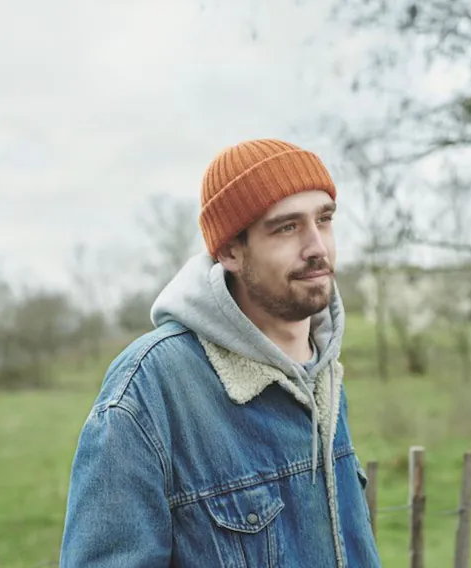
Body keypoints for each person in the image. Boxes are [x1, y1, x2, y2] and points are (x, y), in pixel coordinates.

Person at [60, 139, 381, 567]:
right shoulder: (149, 390)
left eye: (324, 220)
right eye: (287, 227)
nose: (317, 246)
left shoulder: (322, 366)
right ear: (230, 250)